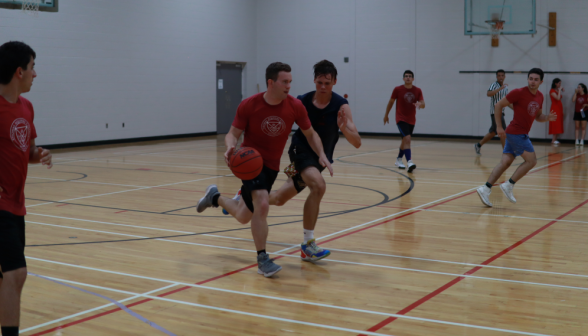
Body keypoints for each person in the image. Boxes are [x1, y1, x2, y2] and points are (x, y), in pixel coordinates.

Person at [196, 62, 333, 277]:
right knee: (262, 203)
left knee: (243, 216)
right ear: (271, 82)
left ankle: (215, 197)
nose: (289, 86)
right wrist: (230, 145)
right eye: (284, 81)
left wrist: (322, 154)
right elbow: (232, 133)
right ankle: (263, 259)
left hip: (271, 167)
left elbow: (310, 134)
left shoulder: (295, 106)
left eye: (290, 81)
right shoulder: (249, 105)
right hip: (251, 163)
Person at [267, 60, 361, 262]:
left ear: (335, 82)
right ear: (314, 80)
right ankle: (308, 245)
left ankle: (246, 198)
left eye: (327, 83)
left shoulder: (341, 106)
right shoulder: (302, 101)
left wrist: (344, 129)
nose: (323, 87)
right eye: (319, 82)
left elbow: (357, 142)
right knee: (318, 186)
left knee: (279, 199)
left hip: (319, 160)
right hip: (300, 151)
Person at [0, 41, 53, 336]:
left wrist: (40, 154)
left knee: (9, 275)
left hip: (17, 204)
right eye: (33, 67)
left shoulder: (27, 107)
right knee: (16, 272)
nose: (36, 74)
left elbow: (27, 150)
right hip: (2, 205)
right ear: (19, 71)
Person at [476, 68, 556, 207]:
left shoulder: (540, 96)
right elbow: (498, 105)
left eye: (536, 79)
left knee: (505, 162)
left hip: (520, 133)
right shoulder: (518, 93)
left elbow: (538, 116)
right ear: (527, 79)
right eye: (530, 78)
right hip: (515, 132)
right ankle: (509, 185)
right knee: (532, 161)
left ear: (541, 82)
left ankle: (485, 188)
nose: (532, 81)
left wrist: (547, 118)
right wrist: (499, 127)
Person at [383, 70, 425, 172]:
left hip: (411, 120)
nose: (408, 78)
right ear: (403, 78)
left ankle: (398, 159)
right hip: (400, 118)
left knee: (404, 140)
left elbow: (423, 104)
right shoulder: (398, 89)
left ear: (413, 79)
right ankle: (409, 161)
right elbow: (391, 102)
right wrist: (386, 115)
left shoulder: (418, 90)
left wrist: (420, 104)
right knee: (407, 139)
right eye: (406, 76)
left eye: (410, 76)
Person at [474, 69, 509, 154]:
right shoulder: (494, 85)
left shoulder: (506, 87)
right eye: (499, 75)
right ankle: (506, 152)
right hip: (495, 112)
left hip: (502, 112)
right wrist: (499, 88)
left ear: (504, 77)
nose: (501, 77)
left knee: (494, 132)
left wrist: (515, 108)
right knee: (503, 131)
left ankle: (478, 145)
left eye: (502, 75)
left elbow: (507, 100)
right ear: (496, 77)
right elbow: (488, 93)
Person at [549, 78, 564, 144]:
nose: (560, 85)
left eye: (560, 83)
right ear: (555, 83)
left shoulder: (556, 90)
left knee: (559, 122)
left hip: (559, 108)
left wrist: (560, 90)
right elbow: (558, 98)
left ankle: (555, 139)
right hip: (555, 108)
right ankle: (553, 140)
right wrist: (560, 90)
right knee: (555, 123)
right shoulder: (552, 91)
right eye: (559, 83)